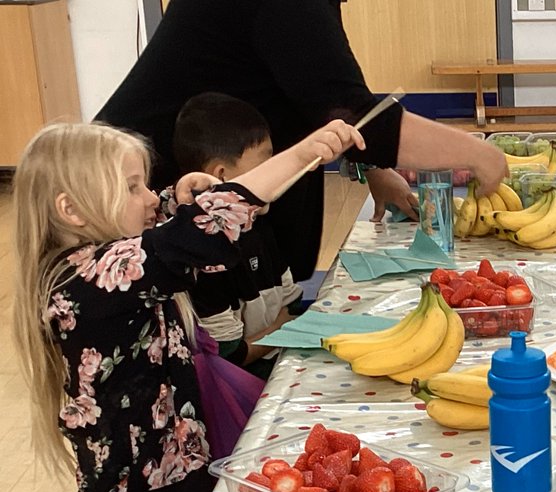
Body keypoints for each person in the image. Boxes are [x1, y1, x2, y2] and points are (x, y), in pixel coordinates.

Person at [11, 118, 363, 492]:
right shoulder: (94, 275)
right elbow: (197, 233)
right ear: (72, 211)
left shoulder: (97, 263)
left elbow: (167, 228)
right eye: (133, 187)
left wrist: (178, 195)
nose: (148, 198)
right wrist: (302, 153)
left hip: (176, 477)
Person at [96, 0, 507, 283]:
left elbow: (317, 90)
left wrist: (374, 168)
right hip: (148, 194)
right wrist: (478, 153)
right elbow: (345, 109)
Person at [172, 92, 300, 379]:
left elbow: (290, 302)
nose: (276, 176)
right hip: (242, 387)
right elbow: (229, 354)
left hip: (278, 362)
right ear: (220, 175)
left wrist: (280, 327)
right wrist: (281, 327)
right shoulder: (204, 257)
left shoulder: (260, 223)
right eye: (264, 166)